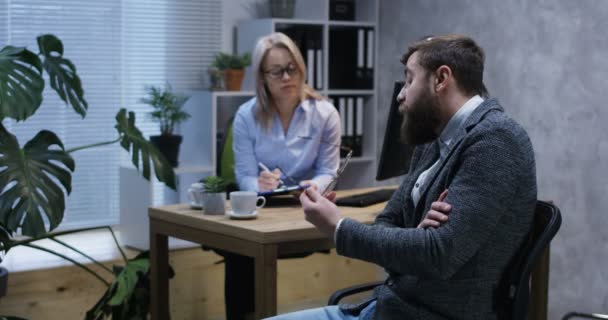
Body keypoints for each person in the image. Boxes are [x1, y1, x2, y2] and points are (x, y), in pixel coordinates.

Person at [267, 34, 537, 319]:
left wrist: (338, 226)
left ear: (441, 79)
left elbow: (438, 255)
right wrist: (415, 241)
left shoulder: (496, 141)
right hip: (388, 308)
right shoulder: (435, 141)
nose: (401, 93)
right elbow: (389, 221)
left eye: (409, 80)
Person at [223, 32, 341, 320]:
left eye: (292, 68)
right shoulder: (246, 116)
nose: (287, 77)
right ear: (262, 77)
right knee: (242, 249)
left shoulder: (325, 114)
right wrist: (258, 184)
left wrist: (314, 184)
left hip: (304, 207)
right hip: (262, 209)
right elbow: (245, 176)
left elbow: (329, 170)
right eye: (276, 71)